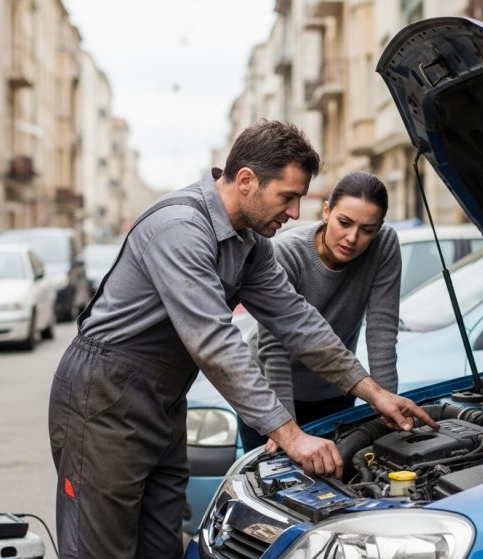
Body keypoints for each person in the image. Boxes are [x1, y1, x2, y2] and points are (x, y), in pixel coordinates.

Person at [47, 120, 436, 559]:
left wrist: (374, 392)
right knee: (101, 550)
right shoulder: (181, 228)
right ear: (247, 180)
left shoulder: (250, 244)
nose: (295, 213)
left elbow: (297, 321)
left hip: (163, 398)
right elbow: (215, 342)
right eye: (287, 197)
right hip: (104, 396)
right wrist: (291, 435)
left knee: (161, 545)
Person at [239, 171, 401, 451]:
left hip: (335, 389)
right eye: (344, 223)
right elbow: (274, 349)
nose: (352, 238)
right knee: (277, 474)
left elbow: (382, 331)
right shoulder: (286, 253)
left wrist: (388, 409)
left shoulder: (383, 244)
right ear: (326, 211)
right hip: (270, 394)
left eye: (367, 230)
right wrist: (285, 428)